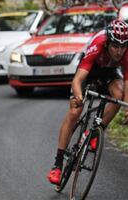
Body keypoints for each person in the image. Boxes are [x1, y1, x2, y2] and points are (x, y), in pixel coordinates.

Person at [47, 19, 128, 185]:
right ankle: (57, 164)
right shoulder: (98, 43)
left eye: (123, 47)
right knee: (75, 111)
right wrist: (78, 97)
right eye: (115, 46)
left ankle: (96, 132)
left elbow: (127, 84)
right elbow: (77, 80)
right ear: (107, 43)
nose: (119, 52)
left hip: (110, 72)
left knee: (119, 95)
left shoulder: (126, 52)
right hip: (89, 69)